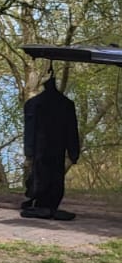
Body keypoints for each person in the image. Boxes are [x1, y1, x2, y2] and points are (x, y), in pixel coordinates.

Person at [22, 77, 81, 220]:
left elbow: (29, 128)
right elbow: (72, 130)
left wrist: (29, 150)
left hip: (40, 147)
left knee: (41, 175)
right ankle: (47, 205)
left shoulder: (34, 103)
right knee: (54, 176)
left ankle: (43, 205)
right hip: (56, 146)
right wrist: (73, 151)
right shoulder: (66, 104)